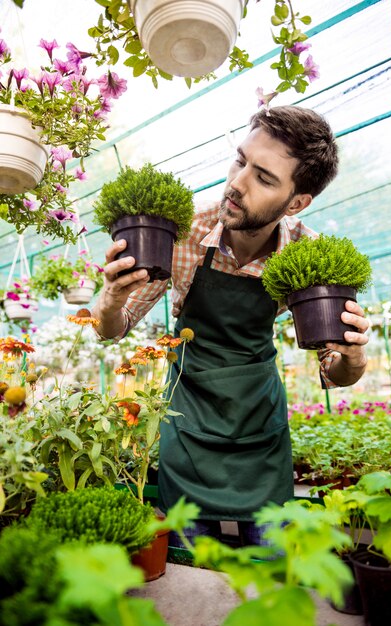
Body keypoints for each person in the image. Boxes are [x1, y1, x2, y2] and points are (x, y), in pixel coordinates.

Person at [92, 105, 369, 547]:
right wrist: (110, 298)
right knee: (188, 565)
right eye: (241, 160)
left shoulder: (307, 258)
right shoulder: (182, 233)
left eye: (264, 177)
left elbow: (335, 372)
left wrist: (353, 359)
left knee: (271, 565)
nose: (237, 183)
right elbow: (114, 327)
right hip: (188, 421)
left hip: (259, 428)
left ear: (297, 202)